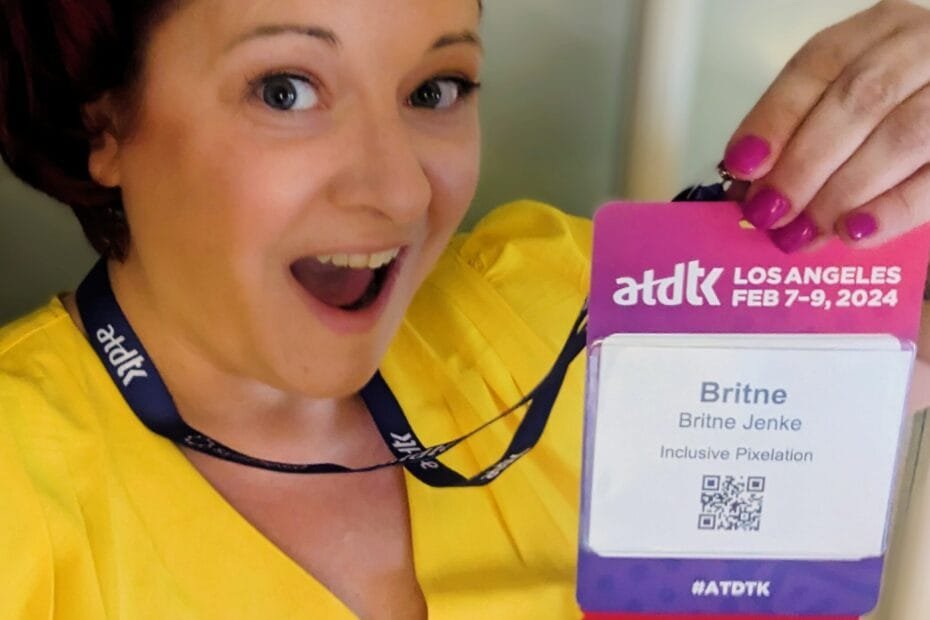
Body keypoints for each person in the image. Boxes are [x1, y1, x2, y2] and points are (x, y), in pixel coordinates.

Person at [0, 0, 928, 618]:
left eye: (434, 90)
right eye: (286, 90)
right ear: (104, 124)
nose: (400, 190)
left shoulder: (578, 306)